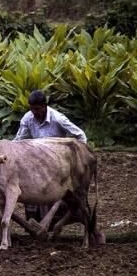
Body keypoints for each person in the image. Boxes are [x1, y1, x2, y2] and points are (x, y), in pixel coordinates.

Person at [14, 89, 88, 223]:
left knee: (52, 195)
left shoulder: (58, 118)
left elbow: (80, 135)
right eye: (31, 109)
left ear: (44, 106)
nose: (34, 113)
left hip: (56, 163)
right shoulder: (28, 118)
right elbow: (18, 141)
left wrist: (79, 158)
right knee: (30, 191)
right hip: (37, 162)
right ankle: (36, 223)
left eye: (37, 109)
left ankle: (58, 219)